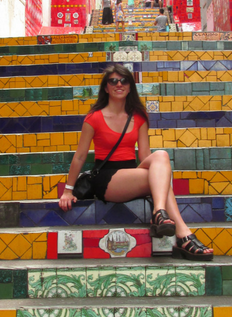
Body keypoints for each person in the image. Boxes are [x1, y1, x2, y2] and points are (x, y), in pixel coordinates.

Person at [59, 64, 213, 261]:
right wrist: (68, 189)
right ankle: (183, 235)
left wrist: (157, 171)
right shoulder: (94, 118)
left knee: (161, 157)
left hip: (132, 174)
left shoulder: (139, 117)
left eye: (124, 80)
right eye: (113, 81)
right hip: (107, 179)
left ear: (130, 86)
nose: (119, 84)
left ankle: (160, 213)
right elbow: (80, 156)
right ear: (106, 88)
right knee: (161, 179)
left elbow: (146, 155)